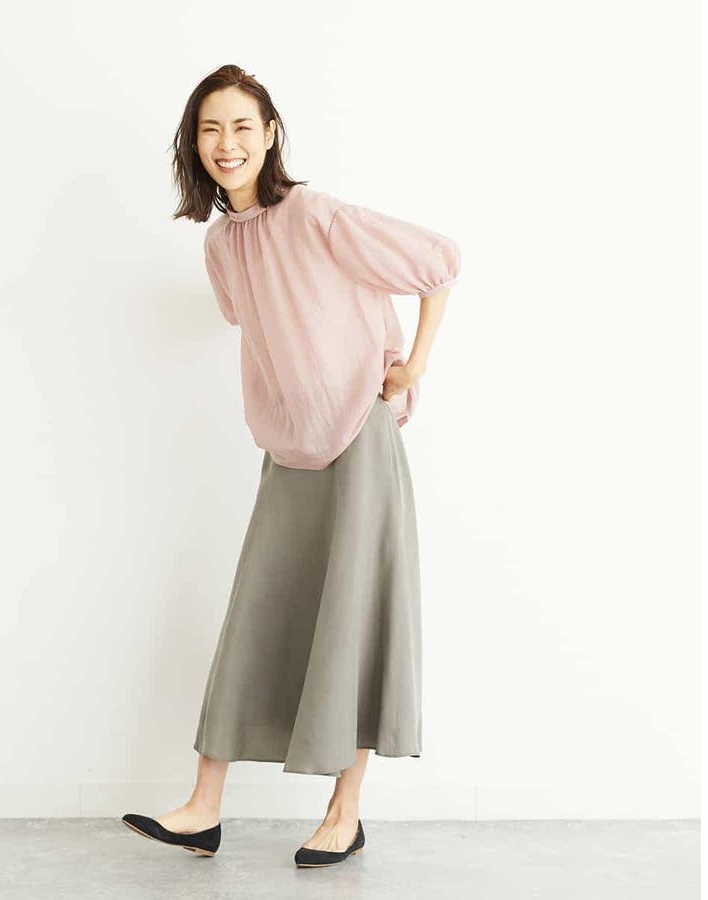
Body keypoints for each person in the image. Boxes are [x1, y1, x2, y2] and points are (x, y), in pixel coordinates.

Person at [122, 64, 461, 868]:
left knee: (354, 615)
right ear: (193, 144)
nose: (227, 143)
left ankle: (345, 810)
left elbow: (439, 261)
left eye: (242, 126)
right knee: (257, 614)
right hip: (289, 448)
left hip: (359, 441)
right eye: (210, 128)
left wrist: (411, 366)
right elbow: (258, 318)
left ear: (270, 134)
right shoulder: (221, 245)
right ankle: (203, 807)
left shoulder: (315, 213)